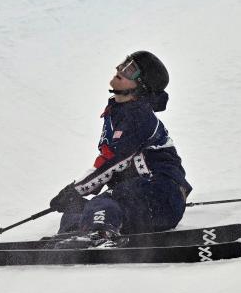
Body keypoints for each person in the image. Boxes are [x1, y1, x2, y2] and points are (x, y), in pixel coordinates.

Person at [49, 51, 192, 247]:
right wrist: (72, 196)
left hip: (161, 196)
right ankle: (73, 236)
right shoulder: (118, 112)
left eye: (129, 70)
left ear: (140, 85)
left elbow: (115, 161)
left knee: (102, 203)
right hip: (137, 198)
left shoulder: (139, 117)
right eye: (124, 64)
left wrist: (76, 189)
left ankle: (99, 235)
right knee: (77, 209)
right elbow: (105, 160)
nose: (119, 70)